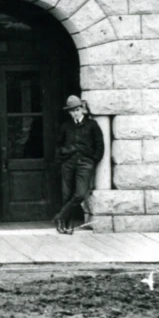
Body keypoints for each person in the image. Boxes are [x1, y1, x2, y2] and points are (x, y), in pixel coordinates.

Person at [53, 95, 104, 235]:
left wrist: (92, 160)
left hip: (85, 164)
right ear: (69, 112)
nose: (75, 113)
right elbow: (58, 145)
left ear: (82, 109)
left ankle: (59, 217)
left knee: (80, 194)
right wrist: (62, 159)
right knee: (66, 195)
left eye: (77, 109)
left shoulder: (92, 125)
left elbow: (99, 145)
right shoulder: (66, 126)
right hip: (68, 164)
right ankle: (65, 225)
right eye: (72, 111)